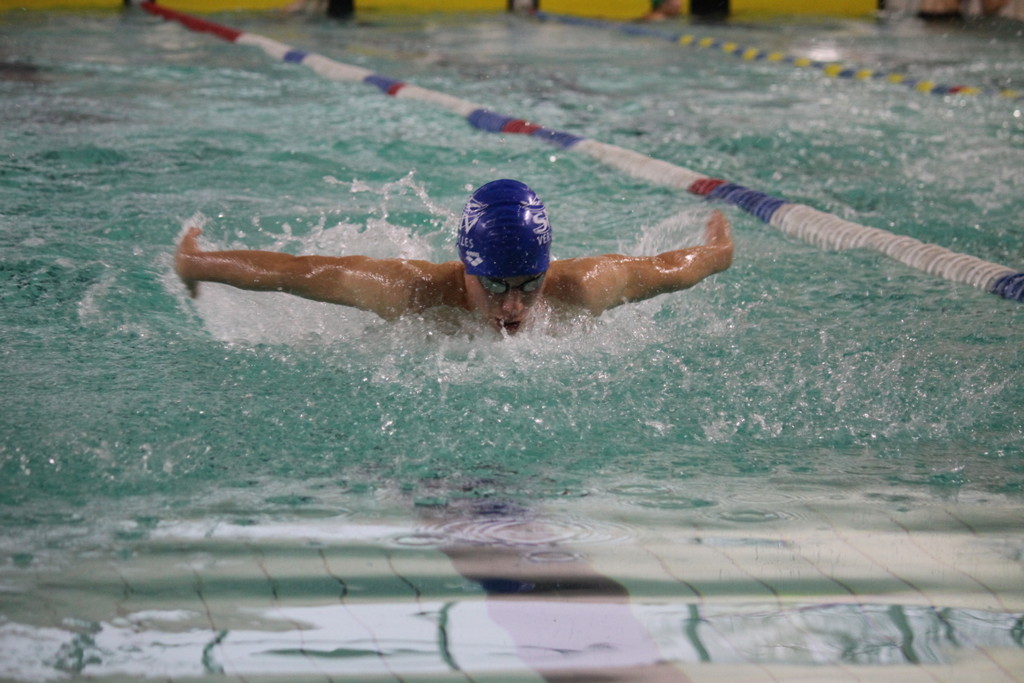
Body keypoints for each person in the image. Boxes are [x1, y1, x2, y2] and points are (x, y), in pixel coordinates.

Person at [175, 179, 733, 336]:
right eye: (494, 286)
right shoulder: (410, 291)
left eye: (529, 284)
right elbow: (293, 273)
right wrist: (197, 264)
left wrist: (718, 251)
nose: (513, 306)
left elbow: (671, 270)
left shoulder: (584, 286)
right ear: (466, 267)